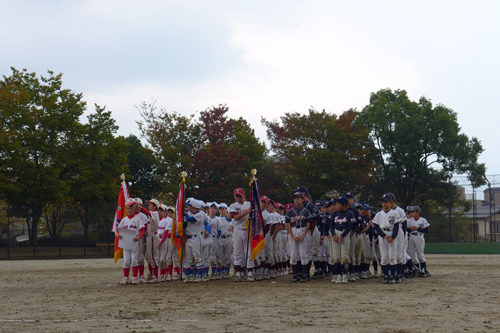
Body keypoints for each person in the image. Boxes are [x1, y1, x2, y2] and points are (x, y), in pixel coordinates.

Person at [372, 193, 403, 284]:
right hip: (382, 235)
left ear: (390, 202)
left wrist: (393, 237)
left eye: (386, 202)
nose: (384, 204)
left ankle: (392, 276)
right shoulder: (378, 214)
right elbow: (376, 227)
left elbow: (397, 227)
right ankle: (386, 276)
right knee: (384, 257)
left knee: (392, 257)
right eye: (383, 202)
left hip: (392, 234)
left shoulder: (395, 213)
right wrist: (383, 235)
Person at [327, 196, 356, 283]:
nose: (337, 205)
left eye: (339, 204)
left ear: (344, 205)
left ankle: (345, 274)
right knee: (336, 256)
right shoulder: (335, 213)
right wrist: (333, 235)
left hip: (345, 234)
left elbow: (350, 226)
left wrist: (342, 236)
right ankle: (338, 275)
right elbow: (331, 225)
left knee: (345, 256)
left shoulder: (350, 213)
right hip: (336, 233)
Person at [116, 198, 145, 285]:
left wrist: (139, 237)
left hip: (134, 242)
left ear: (133, 209)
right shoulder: (124, 219)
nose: (129, 210)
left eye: (131, 208)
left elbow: (142, 230)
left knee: (134, 260)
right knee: (126, 260)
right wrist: (118, 235)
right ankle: (126, 278)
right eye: (128, 208)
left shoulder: (137, 219)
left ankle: (135, 278)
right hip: (126, 242)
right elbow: (118, 229)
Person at [285, 192, 312, 282]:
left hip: (302, 230)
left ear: (302, 199)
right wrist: (292, 236)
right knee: (293, 254)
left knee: (303, 253)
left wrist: (303, 235)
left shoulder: (306, 211)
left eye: (298, 198)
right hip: (293, 230)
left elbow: (308, 224)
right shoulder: (290, 212)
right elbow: (288, 224)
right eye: (295, 198)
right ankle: (295, 274)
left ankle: (304, 274)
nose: (296, 200)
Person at [229, 188, 254, 282]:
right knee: (238, 252)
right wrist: (247, 212)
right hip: (237, 229)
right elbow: (235, 217)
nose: (239, 198)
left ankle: (250, 271)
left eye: (240, 196)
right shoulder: (233, 206)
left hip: (247, 229)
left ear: (244, 196)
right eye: (237, 196)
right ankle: (239, 272)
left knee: (248, 252)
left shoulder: (249, 204)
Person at [183, 199, 207, 283]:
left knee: (198, 257)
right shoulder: (189, 214)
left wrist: (185, 214)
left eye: (190, 206)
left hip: (196, 238)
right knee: (187, 258)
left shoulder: (200, 214)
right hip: (188, 238)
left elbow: (190, 219)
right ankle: (188, 276)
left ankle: (200, 276)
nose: (189, 207)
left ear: (193, 207)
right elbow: (185, 223)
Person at [407, 206, 431, 277]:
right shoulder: (410, 221)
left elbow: (426, 230)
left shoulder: (423, 220)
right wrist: (410, 230)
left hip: (419, 236)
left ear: (418, 212)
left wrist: (417, 228)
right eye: (411, 212)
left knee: (420, 254)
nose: (412, 213)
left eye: (413, 212)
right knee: (411, 254)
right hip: (412, 237)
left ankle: (424, 270)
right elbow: (407, 229)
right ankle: (417, 269)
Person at [217, 203, 233, 279]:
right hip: (220, 238)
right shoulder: (218, 219)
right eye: (220, 209)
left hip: (228, 237)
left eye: (223, 209)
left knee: (227, 256)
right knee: (220, 256)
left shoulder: (230, 219)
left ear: (226, 209)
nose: (221, 210)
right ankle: (220, 271)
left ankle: (226, 271)